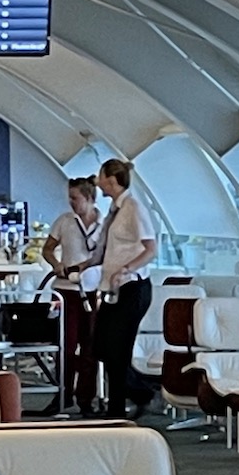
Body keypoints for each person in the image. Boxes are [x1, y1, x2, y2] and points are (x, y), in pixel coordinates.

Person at [93, 158, 158, 418]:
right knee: (102, 346)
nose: (97, 182)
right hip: (113, 288)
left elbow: (150, 249)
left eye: (100, 177)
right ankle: (140, 391)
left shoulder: (133, 208)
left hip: (133, 288)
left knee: (117, 348)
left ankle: (117, 408)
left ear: (110, 180)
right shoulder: (115, 209)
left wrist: (126, 269)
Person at [42, 175, 104, 414]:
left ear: (89, 198)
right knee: (65, 345)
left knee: (90, 346)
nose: (71, 202)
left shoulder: (104, 224)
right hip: (66, 291)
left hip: (91, 290)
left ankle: (86, 398)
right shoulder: (65, 222)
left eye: (75, 198)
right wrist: (56, 264)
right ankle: (63, 394)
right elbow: (48, 249)